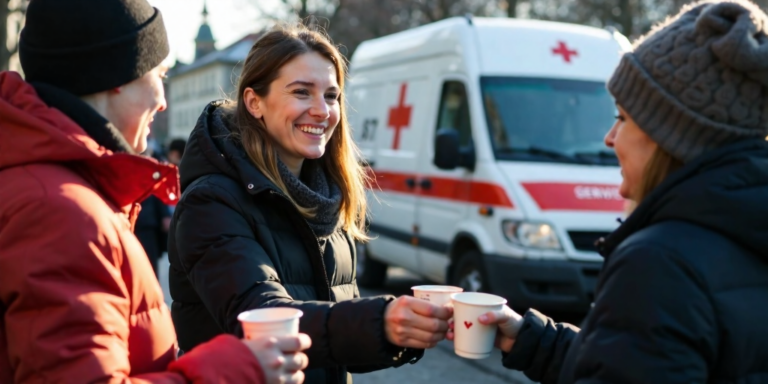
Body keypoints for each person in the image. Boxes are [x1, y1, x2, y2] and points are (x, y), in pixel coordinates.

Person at [448, 0, 768, 382]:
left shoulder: (658, 265)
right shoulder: (744, 231)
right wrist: (533, 340)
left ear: (669, 135)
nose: (609, 138)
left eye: (622, 118)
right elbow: (637, 357)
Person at [0, 0, 310, 383]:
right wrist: (238, 369)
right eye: (158, 75)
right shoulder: (60, 211)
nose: (163, 101)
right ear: (117, 73)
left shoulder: (52, 189)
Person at [167, 24, 452, 384]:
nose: (322, 111)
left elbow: (334, 347)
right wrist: (382, 320)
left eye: (332, 96)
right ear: (255, 102)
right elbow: (263, 319)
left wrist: (407, 330)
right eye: (302, 92)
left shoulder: (326, 201)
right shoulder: (211, 202)